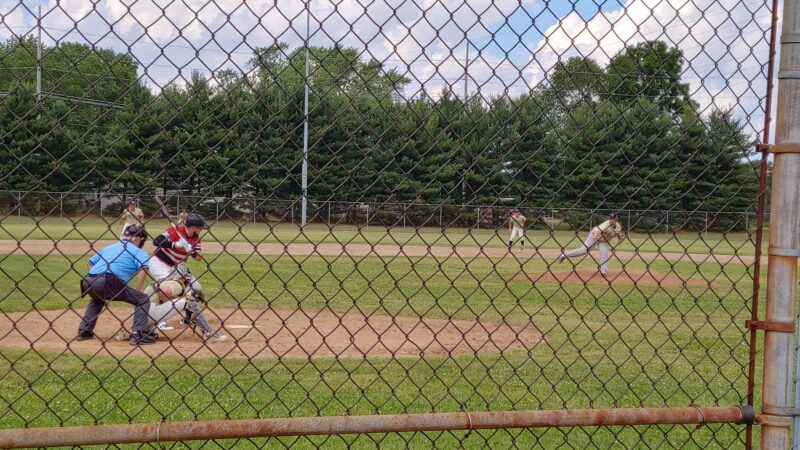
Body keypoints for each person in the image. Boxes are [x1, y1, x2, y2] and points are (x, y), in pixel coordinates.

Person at [136, 213, 225, 342]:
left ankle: (187, 317)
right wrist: (176, 244)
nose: (200, 230)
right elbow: (157, 241)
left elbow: (199, 258)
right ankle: (161, 321)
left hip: (175, 266)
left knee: (195, 287)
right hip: (159, 263)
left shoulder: (195, 238)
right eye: (200, 228)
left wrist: (191, 250)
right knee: (169, 290)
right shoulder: (174, 230)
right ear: (194, 227)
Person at [77, 224, 156, 345]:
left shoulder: (110, 247)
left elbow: (89, 262)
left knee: (97, 300)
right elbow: (144, 269)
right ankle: (138, 334)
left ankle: (84, 331)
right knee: (143, 299)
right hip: (109, 280)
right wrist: (138, 289)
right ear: (137, 239)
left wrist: (97, 281)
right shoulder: (139, 252)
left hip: (88, 281)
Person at [557, 212, 625, 276]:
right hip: (595, 235)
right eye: (610, 218)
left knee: (604, 255)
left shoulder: (618, 227)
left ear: (616, 219)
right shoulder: (606, 224)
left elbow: (620, 235)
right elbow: (598, 230)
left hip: (605, 241)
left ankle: (603, 271)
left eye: (613, 219)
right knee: (583, 251)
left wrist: (618, 242)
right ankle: (564, 255)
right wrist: (595, 236)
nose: (611, 220)